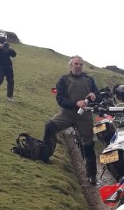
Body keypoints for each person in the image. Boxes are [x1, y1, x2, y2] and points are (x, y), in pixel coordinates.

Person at [42, 56, 100, 185]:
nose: (78, 66)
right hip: (67, 113)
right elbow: (60, 99)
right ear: (71, 65)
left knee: (89, 144)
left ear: (82, 66)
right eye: (76, 64)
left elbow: (98, 97)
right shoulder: (64, 79)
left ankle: (91, 176)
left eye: (80, 64)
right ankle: (44, 155)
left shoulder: (89, 80)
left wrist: (94, 96)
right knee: (50, 125)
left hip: (85, 116)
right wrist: (75, 103)